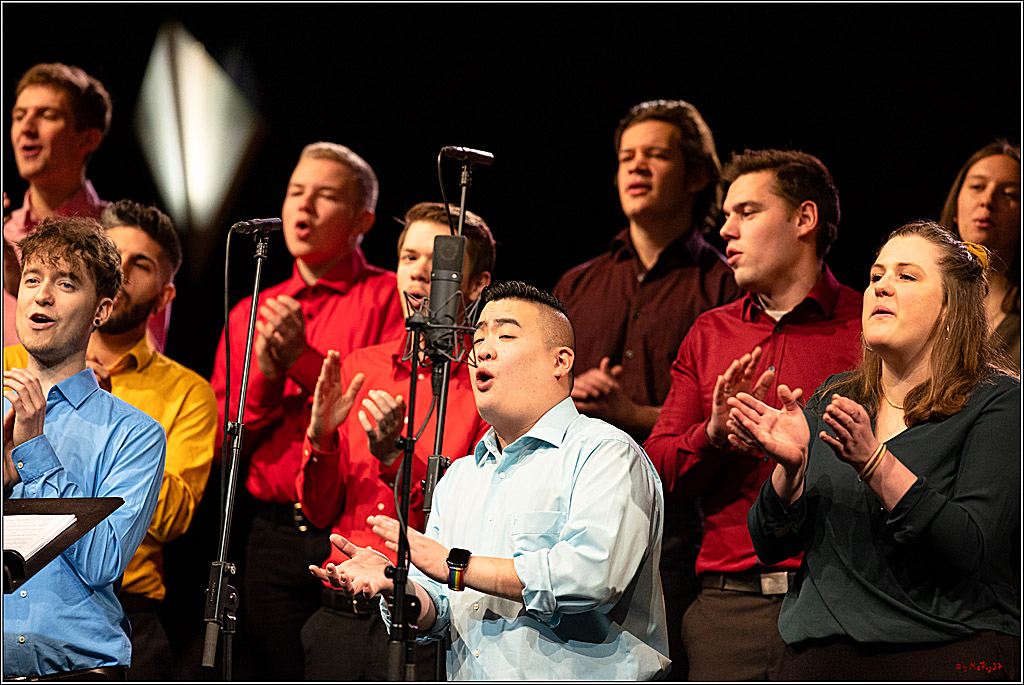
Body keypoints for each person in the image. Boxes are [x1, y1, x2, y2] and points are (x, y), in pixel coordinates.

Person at [311, 281, 670, 680]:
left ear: (560, 361)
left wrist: (456, 566)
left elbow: (590, 577)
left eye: (506, 334)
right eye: (478, 336)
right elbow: (443, 612)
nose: (482, 348)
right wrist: (397, 585)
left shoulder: (605, 454)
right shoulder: (461, 477)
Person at [739, 221, 1019, 681]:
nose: (882, 286)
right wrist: (788, 473)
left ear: (952, 306)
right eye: (875, 277)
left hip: (943, 654)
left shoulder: (999, 402)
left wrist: (876, 464)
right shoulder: (836, 397)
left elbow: (970, 547)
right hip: (818, 659)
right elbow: (769, 545)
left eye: (906, 277)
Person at [644, 149, 863, 680]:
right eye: (726, 216)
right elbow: (656, 468)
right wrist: (714, 434)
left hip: (842, 602)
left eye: (746, 212)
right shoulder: (710, 333)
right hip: (729, 610)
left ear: (804, 219)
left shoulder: (867, 329)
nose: (726, 230)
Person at [552, 99, 741, 676]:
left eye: (656, 155)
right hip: (569, 528)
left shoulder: (725, 284)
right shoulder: (579, 282)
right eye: (627, 157)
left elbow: (731, 414)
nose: (637, 167)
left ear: (698, 175)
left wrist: (633, 412)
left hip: (677, 539)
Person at [209, 141, 405, 680]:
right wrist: (269, 377)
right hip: (270, 536)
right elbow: (227, 438)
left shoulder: (391, 296)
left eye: (325, 196)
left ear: (363, 218)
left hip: (352, 533)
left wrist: (299, 359)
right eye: (297, 192)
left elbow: (381, 407)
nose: (304, 207)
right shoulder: (252, 306)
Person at [297, 202, 494, 680]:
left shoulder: (485, 385)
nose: (420, 272)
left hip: (425, 620)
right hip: (340, 614)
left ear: (477, 284)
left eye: (439, 261)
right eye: (408, 257)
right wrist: (320, 438)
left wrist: (393, 459)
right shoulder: (362, 366)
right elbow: (320, 512)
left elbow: (457, 525)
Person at [2, 216, 165, 680]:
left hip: (79, 671)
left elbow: (101, 562)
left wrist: (34, 451)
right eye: (32, 279)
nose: (43, 294)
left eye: (66, 283)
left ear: (102, 311)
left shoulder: (135, 434)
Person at [6, 63, 112, 349]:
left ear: (88, 138)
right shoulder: (5, 232)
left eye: (47, 115)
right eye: (19, 116)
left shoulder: (123, 236)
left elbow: (136, 361)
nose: (26, 128)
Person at [940, 141, 1020, 372]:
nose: (987, 200)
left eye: (1009, 194)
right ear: (956, 204)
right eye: (977, 187)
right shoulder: (926, 300)